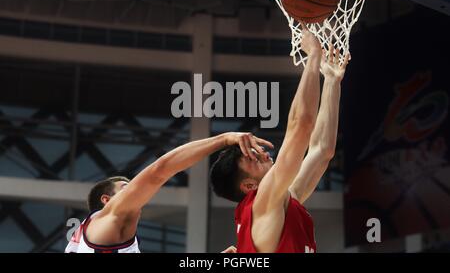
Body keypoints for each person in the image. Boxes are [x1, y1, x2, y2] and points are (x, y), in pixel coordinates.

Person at [210, 26, 350, 253]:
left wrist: (332, 82)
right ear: (249, 186)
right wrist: (313, 55)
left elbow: (322, 151)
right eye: (254, 159)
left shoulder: (279, 201)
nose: (264, 153)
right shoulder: (264, 201)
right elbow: (301, 126)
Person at [65, 132, 272, 253]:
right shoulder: (109, 220)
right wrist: (225, 139)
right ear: (106, 200)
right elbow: (160, 170)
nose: (137, 191)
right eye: (126, 188)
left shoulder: (95, 237)